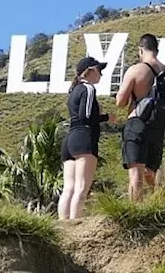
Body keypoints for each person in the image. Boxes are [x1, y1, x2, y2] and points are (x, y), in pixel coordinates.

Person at [116, 33, 165, 202]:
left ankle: (135, 213)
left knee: (135, 174)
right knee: (151, 173)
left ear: (141, 49)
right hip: (158, 128)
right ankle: (163, 202)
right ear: (157, 50)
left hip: (137, 123)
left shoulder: (136, 70)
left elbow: (121, 102)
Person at [59, 56, 112, 220]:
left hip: (70, 139)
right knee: (82, 187)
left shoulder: (74, 90)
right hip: (84, 138)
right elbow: (87, 116)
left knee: (68, 188)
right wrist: (106, 117)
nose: (101, 75)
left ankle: (63, 224)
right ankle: (75, 223)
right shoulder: (88, 89)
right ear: (91, 71)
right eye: (99, 71)